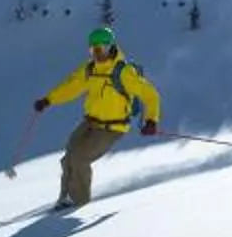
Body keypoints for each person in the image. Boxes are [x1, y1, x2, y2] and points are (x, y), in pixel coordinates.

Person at [34, 25, 161, 210]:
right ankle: (65, 198)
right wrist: (48, 100)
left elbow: (150, 94)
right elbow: (71, 86)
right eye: (93, 50)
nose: (96, 54)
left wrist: (151, 120)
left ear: (110, 47)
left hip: (113, 127)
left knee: (79, 158)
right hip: (90, 122)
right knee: (69, 157)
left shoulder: (123, 72)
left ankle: (79, 201)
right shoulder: (90, 69)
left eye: (100, 49)